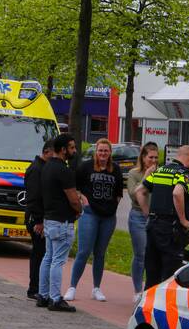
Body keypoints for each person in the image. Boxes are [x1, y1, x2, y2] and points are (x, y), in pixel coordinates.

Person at [65, 138, 124, 302]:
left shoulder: (116, 169)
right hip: (90, 213)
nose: (103, 153)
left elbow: (119, 192)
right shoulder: (86, 167)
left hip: (108, 217)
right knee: (84, 251)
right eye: (100, 150)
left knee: (100, 253)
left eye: (106, 151)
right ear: (95, 151)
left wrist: (114, 206)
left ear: (110, 152)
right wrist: (83, 199)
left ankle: (96, 288)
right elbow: (75, 187)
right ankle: (72, 287)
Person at [136, 145, 189, 288]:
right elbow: (177, 192)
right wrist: (183, 220)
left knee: (152, 274)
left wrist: (147, 213)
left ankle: (147, 307)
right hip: (171, 230)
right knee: (170, 276)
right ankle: (165, 309)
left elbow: (140, 191)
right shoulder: (184, 172)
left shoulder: (161, 170)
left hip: (153, 227)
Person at [38, 133, 81, 312]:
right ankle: (55, 299)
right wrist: (79, 209)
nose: (74, 151)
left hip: (49, 219)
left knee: (48, 257)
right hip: (62, 221)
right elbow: (72, 197)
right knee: (58, 260)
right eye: (71, 147)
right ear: (63, 149)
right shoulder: (64, 170)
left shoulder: (47, 167)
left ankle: (43, 294)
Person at [125, 142, 158, 305]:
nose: (154, 160)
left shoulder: (160, 173)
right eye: (150, 157)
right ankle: (138, 290)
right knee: (141, 254)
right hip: (138, 216)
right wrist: (146, 178)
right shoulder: (134, 173)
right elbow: (132, 193)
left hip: (155, 217)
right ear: (143, 158)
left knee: (153, 255)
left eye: (156, 157)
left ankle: (150, 289)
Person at [23, 140, 53, 302]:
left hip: (38, 217)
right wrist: (38, 221)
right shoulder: (36, 170)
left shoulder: (42, 168)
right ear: (47, 152)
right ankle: (34, 288)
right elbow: (34, 198)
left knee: (40, 253)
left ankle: (38, 287)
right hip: (36, 219)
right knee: (38, 254)